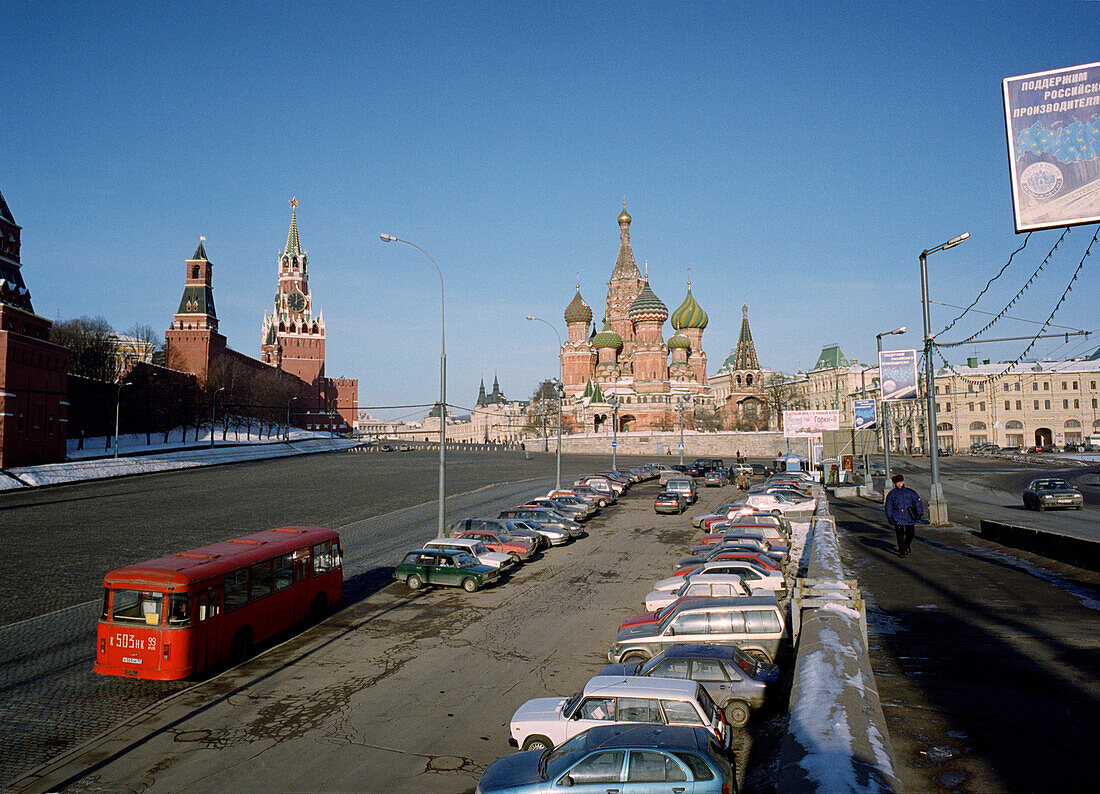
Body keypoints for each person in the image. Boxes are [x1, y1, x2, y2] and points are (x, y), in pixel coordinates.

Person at [884, 473, 924, 557]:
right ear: (895, 484)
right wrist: (889, 516)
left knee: (911, 534)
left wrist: (919, 512)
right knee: (900, 535)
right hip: (897, 517)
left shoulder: (910, 492)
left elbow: (917, 501)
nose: (899, 484)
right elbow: (888, 505)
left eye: (901, 482)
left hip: (909, 516)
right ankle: (902, 551)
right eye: (897, 483)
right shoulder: (892, 494)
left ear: (903, 482)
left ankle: (906, 545)